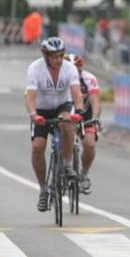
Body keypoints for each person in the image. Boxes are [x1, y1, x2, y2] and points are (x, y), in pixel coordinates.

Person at [26, 38, 85, 211]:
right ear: (45, 56)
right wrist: (33, 114)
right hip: (41, 110)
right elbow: (30, 96)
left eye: (61, 55)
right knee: (38, 146)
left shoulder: (70, 68)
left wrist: (79, 111)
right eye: (54, 56)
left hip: (62, 105)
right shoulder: (35, 69)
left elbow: (76, 94)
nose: (59, 60)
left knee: (67, 122)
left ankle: (67, 164)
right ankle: (43, 189)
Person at [66, 54, 102, 193]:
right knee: (64, 136)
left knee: (89, 144)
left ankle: (84, 174)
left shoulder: (89, 78)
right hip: (66, 110)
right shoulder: (59, 78)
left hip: (85, 112)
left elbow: (95, 100)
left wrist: (95, 118)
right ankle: (62, 166)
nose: (74, 73)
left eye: (77, 70)